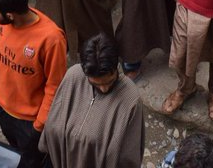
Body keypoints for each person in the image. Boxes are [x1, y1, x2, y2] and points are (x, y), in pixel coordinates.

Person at [0, 0, 68, 168]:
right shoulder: (1, 22)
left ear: (10, 15)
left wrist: (39, 126)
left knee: (34, 162)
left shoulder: (51, 39)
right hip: (2, 107)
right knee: (16, 153)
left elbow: (55, 87)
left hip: (30, 123)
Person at [39, 33, 144, 168]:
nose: (104, 89)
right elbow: (52, 125)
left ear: (116, 66)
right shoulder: (73, 76)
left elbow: (127, 156)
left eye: (109, 82)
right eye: (95, 84)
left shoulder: (130, 98)